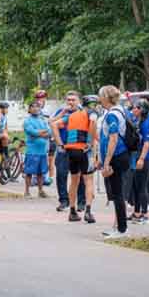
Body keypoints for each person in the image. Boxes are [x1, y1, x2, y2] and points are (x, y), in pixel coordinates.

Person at [52, 92, 97, 224]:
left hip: (70, 150)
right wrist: (89, 142)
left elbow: (53, 125)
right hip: (84, 150)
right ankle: (88, 211)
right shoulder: (91, 113)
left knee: (74, 180)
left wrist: (60, 144)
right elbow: (93, 123)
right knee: (89, 180)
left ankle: (72, 211)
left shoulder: (71, 116)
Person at [97, 85, 131, 239]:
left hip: (116, 157)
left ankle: (122, 229)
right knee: (117, 193)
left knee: (117, 194)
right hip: (120, 155)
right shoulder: (121, 110)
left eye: (100, 96)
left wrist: (106, 162)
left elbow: (113, 138)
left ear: (105, 97)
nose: (99, 99)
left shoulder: (112, 115)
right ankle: (119, 226)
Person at [50, 91, 87, 212]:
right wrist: (62, 113)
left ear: (79, 101)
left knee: (80, 176)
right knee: (61, 174)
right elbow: (51, 123)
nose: (70, 102)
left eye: (73, 100)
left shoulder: (83, 112)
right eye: (68, 100)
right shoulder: (61, 112)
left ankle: (81, 202)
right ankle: (64, 201)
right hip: (64, 148)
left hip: (79, 147)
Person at [23, 101, 49, 198]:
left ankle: (41, 191)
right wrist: (42, 133)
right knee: (29, 172)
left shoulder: (42, 120)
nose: (35, 108)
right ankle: (27, 191)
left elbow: (49, 131)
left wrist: (39, 133)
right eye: (33, 107)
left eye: (37, 106)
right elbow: (31, 132)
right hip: (32, 151)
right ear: (29, 110)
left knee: (41, 172)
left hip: (42, 151)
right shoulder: (27, 121)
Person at [34, 89, 55, 185]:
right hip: (38, 136)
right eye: (38, 98)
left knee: (47, 157)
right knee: (38, 156)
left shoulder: (49, 108)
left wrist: (53, 135)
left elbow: (52, 121)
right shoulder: (34, 107)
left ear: (45, 98)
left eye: (42, 97)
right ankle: (37, 177)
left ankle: (48, 177)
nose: (40, 99)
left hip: (48, 135)